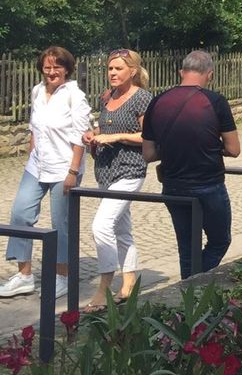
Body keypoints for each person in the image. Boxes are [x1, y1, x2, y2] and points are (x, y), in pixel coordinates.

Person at [0, 46, 91, 301]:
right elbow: (34, 128)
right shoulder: (38, 91)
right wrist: (31, 154)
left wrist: (73, 172)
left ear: (67, 69)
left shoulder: (75, 96)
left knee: (60, 223)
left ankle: (62, 277)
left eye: (57, 67)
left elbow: (79, 138)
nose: (51, 72)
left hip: (64, 167)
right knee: (20, 212)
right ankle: (24, 276)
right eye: (47, 67)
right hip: (37, 165)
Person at [141, 49, 239, 279]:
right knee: (219, 241)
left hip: (174, 185)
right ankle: (196, 284)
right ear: (210, 74)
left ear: (181, 72)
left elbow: (148, 154)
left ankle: (188, 295)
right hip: (209, 184)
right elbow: (234, 149)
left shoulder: (157, 102)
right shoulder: (216, 102)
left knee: (187, 248)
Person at [81, 49, 154, 308]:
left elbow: (149, 136)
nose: (112, 73)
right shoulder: (107, 97)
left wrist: (116, 137)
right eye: (110, 69)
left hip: (130, 170)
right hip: (105, 169)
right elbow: (106, 126)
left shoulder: (142, 98)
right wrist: (93, 135)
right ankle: (130, 281)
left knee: (101, 225)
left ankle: (103, 288)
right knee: (122, 229)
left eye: (118, 69)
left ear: (132, 71)